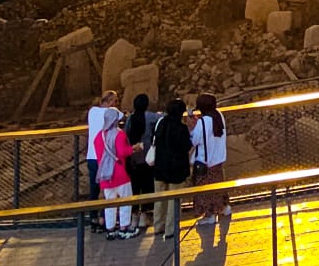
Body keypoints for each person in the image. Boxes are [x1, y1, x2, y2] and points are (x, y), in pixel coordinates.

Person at [148, 97, 192, 237]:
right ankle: (170, 229)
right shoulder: (181, 128)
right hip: (176, 170)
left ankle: (158, 225)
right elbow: (186, 146)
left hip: (160, 167)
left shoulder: (160, 124)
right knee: (174, 201)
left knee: (159, 199)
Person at [93, 109, 140, 238]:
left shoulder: (99, 136)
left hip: (105, 175)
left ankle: (110, 229)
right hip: (120, 173)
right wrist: (134, 148)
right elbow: (122, 152)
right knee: (126, 201)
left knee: (110, 203)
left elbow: (99, 157)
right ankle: (124, 228)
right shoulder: (119, 134)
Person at [189, 94, 229, 222]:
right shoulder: (219, 115)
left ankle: (209, 215)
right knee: (218, 186)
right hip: (218, 158)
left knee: (205, 191)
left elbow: (194, 140)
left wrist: (192, 127)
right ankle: (224, 207)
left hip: (205, 161)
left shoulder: (203, 122)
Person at [85, 88, 120, 196]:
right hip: (104, 157)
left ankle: (93, 213)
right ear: (110, 101)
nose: (116, 104)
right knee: (108, 190)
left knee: (94, 190)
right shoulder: (112, 112)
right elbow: (121, 115)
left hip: (91, 156)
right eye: (115, 101)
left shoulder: (92, 111)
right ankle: (105, 212)